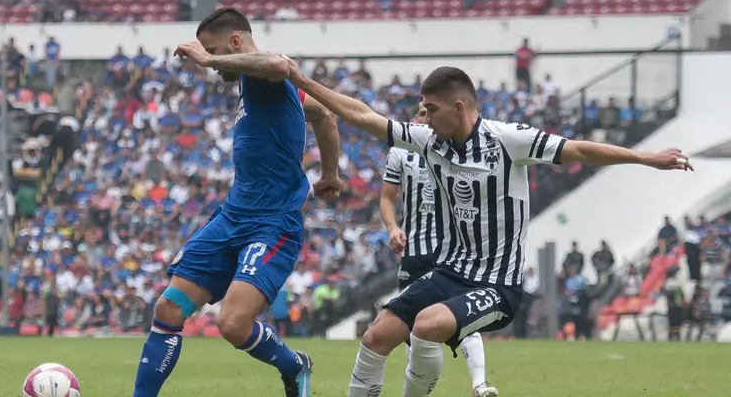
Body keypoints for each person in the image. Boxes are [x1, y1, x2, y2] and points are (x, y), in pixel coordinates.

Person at [283, 64, 692, 397]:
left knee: (427, 325)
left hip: (499, 285)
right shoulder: (429, 141)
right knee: (376, 336)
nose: (423, 116)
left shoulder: (508, 139)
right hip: (449, 271)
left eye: (431, 108)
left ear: (458, 107)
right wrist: (301, 80)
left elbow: (579, 149)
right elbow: (362, 115)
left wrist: (645, 158)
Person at [131, 7, 341, 397]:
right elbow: (325, 116)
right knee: (168, 309)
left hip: (272, 223)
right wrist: (329, 174)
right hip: (231, 217)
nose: (213, 67)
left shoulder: (266, 75)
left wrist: (209, 57)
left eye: (215, 52)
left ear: (235, 43)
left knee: (232, 324)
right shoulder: (256, 85)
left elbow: (279, 63)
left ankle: (294, 367)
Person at [381, 103, 497, 396]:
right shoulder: (400, 152)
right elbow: (386, 198)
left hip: (452, 253)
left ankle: (480, 384)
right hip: (416, 254)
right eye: (421, 114)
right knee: (409, 327)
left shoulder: (458, 151)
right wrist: (393, 228)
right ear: (414, 119)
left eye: (430, 113)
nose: (426, 119)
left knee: (465, 316)